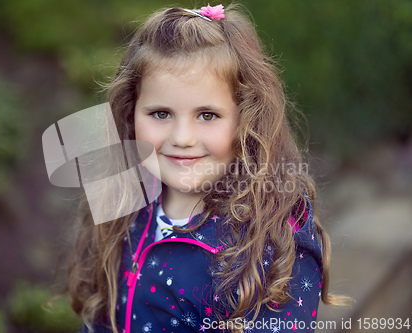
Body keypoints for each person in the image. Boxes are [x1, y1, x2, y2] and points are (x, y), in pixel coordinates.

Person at [66, 4, 347, 332]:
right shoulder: (123, 204)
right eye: (160, 113)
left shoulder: (269, 241)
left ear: (246, 119)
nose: (182, 138)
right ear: (130, 114)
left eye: (207, 115)